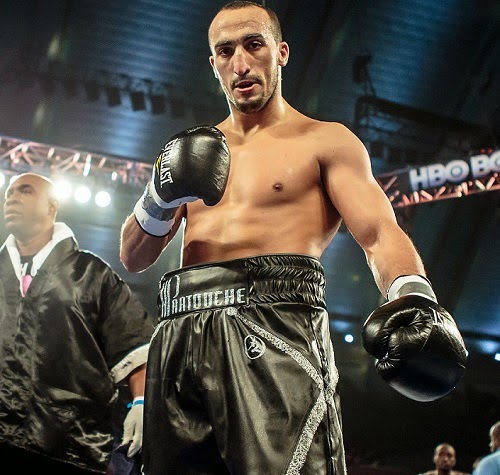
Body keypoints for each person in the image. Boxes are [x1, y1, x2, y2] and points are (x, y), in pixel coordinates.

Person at [119, 2, 467, 474]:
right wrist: (159, 196)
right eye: (226, 51)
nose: (241, 63)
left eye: (253, 45)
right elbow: (133, 256)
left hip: (275, 321)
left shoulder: (325, 141)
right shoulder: (189, 152)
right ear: (213, 63)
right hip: (181, 329)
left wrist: (414, 296)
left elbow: (379, 232)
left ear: (281, 52)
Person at [0, 172, 156, 474]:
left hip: (71, 444)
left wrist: (141, 403)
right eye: (9, 193)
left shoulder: (91, 274)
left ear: (51, 206)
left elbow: (135, 345)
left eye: (25, 191)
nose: (12, 198)